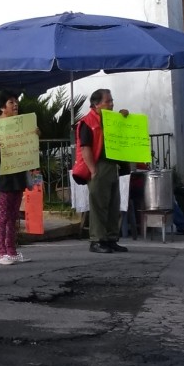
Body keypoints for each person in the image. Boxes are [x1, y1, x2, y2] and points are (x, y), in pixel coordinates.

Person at [77, 89, 130, 254]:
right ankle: (97, 240)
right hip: (99, 165)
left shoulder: (110, 119)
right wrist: (93, 170)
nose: (111, 104)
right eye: (108, 101)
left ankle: (111, 238)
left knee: (113, 205)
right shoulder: (88, 121)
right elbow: (85, 148)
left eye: (111, 100)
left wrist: (124, 116)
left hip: (113, 166)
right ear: (96, 104)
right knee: (99, 205)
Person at [0, 91, 32, 265]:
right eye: (11, 102)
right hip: (3, 178)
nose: (15, 105)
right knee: (3, 215)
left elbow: (28, 147)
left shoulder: (20, 125)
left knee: (14, 216)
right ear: (2, 107)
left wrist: (34, 136)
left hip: (18, 176)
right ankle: (1, 252)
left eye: (16, 102)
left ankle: (12, 250)